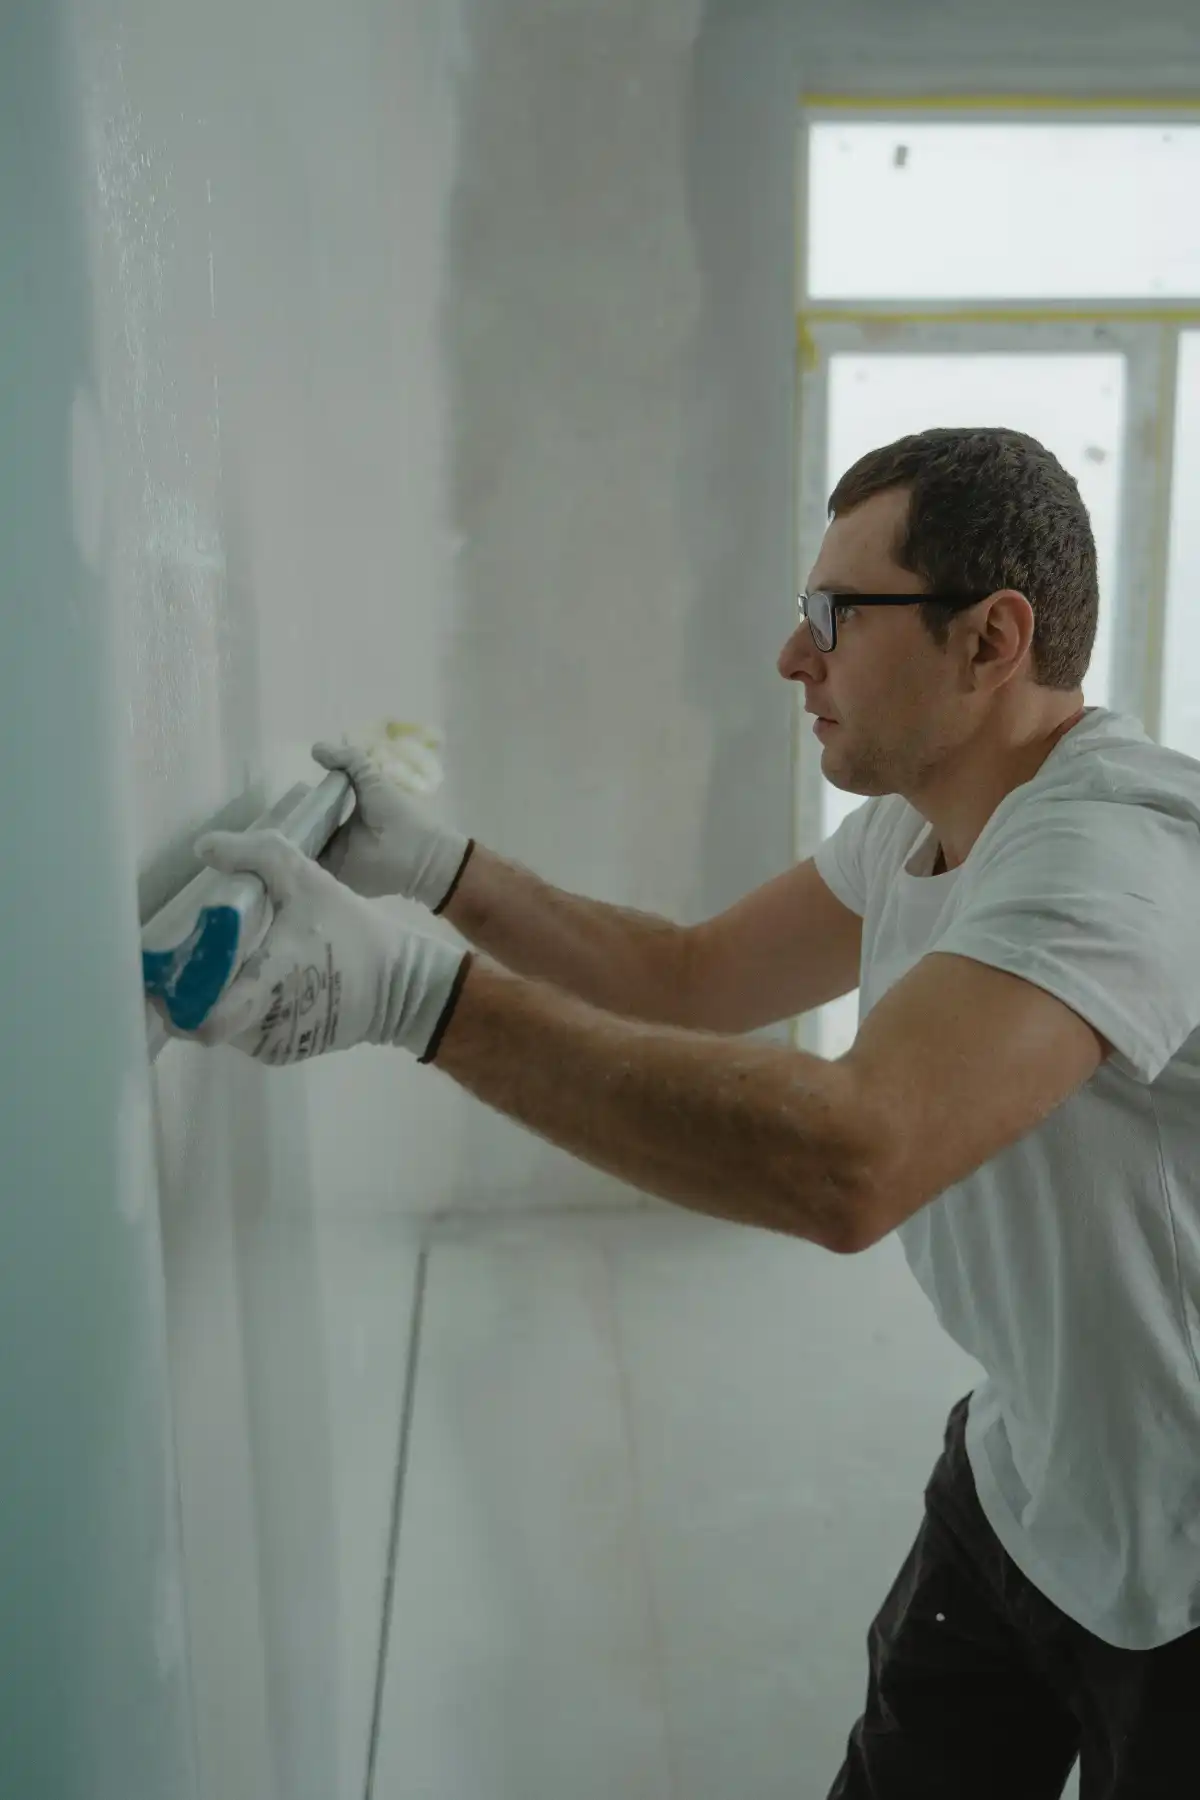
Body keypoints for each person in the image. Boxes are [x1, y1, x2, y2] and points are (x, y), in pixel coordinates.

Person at [167, 427, 1200, 1798]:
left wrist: (421, 1000)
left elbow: (853, 1159)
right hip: (1029, 1481)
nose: (792, 657)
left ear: (990, 639)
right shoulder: (919, 821)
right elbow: (698, 976)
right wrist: (439, 870)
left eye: (834, 615)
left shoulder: (1115, 857)